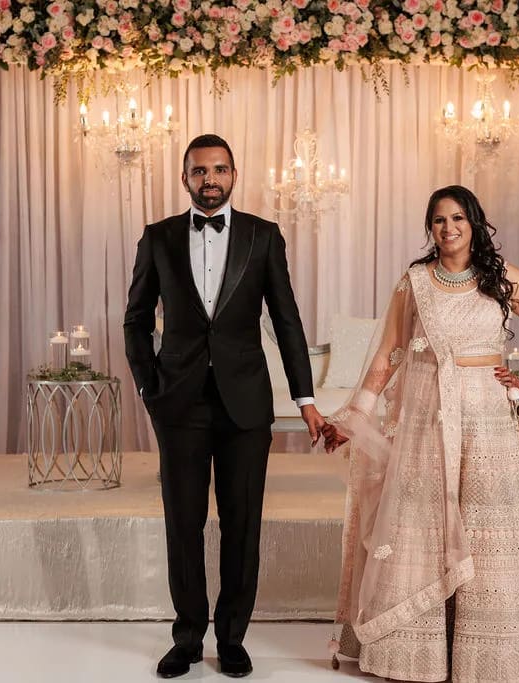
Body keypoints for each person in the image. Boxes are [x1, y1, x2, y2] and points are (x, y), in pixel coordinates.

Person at [322, 185, 519, 682]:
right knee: (423, 518)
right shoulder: (415, 281)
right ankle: (419, 651)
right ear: (430, 228)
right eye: (438, 220)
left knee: (484, 523)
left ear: (474, 223)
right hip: (426, 417)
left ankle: (490, 652)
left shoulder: (501, 278)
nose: (448, 228)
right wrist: (356, 416)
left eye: (457, 218)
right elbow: (388, 354)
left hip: (486, 418)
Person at [124, 134, 326, 678]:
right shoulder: (159, 237)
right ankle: (188, 637)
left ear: (234, 175)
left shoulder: (263, 235)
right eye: (199, 171)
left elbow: (286, 320)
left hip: (246, 405)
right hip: (178, 404)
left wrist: (305, 398)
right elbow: (135, 320)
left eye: (219, 169)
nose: (209, 179)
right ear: (184, 178)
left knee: (242, 525)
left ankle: (232, 637)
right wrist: (147, 387)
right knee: (183, 524)